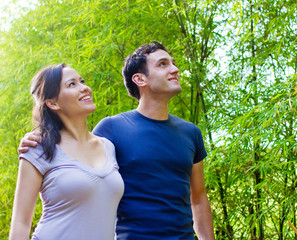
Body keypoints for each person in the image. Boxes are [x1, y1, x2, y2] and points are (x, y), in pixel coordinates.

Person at [18, 42, 215, 239]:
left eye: (173, 63)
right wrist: (41, 135)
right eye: (163, 64)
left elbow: (198, 198)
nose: (175, 69)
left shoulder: (191, 133)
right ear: (139, 79)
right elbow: (76, 159)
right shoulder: (112, 129)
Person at [10, 64, 124, 240]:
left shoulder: (108, 146)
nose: (85, 88)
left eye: (82, 81)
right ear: (53, 103)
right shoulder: (38, 147)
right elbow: (21, 222)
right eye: (72, 84)